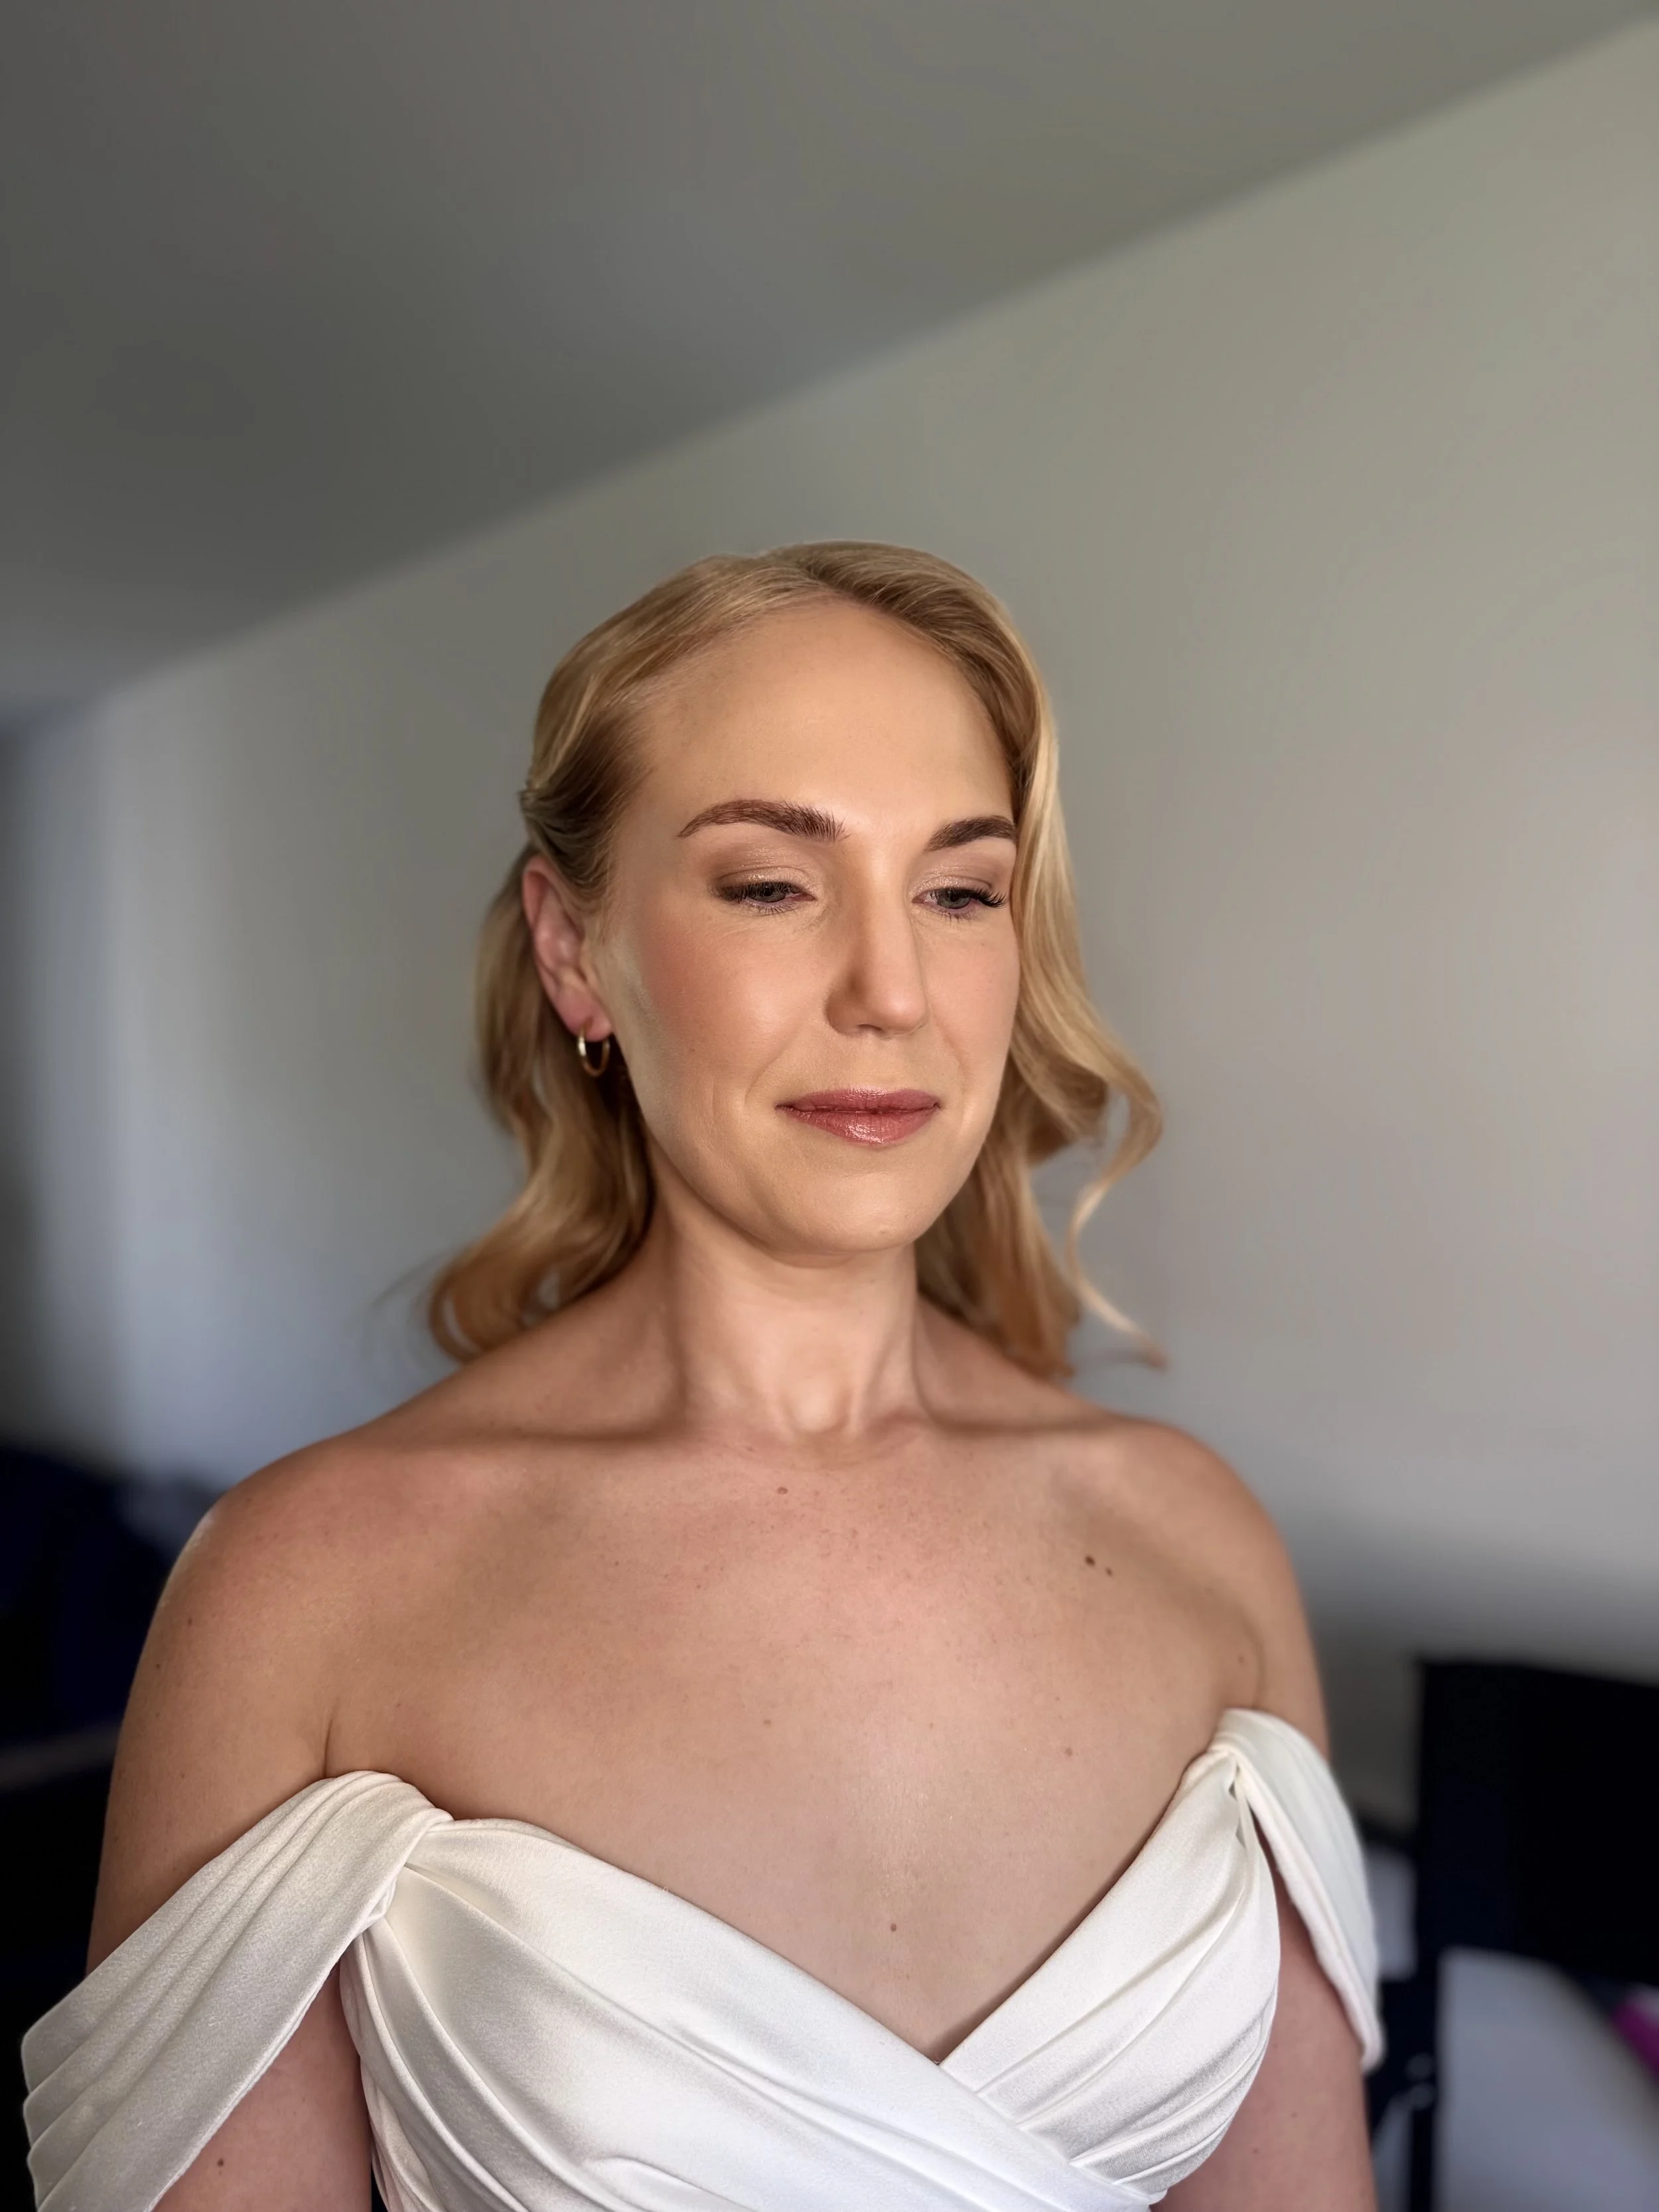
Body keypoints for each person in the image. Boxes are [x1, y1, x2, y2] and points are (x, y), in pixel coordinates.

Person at [23, 544, 1380, 2211]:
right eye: (768, 885)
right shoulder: (304, 1591)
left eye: (957, 891)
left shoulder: (1199, 1546)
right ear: (573, 949)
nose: (890, 994)